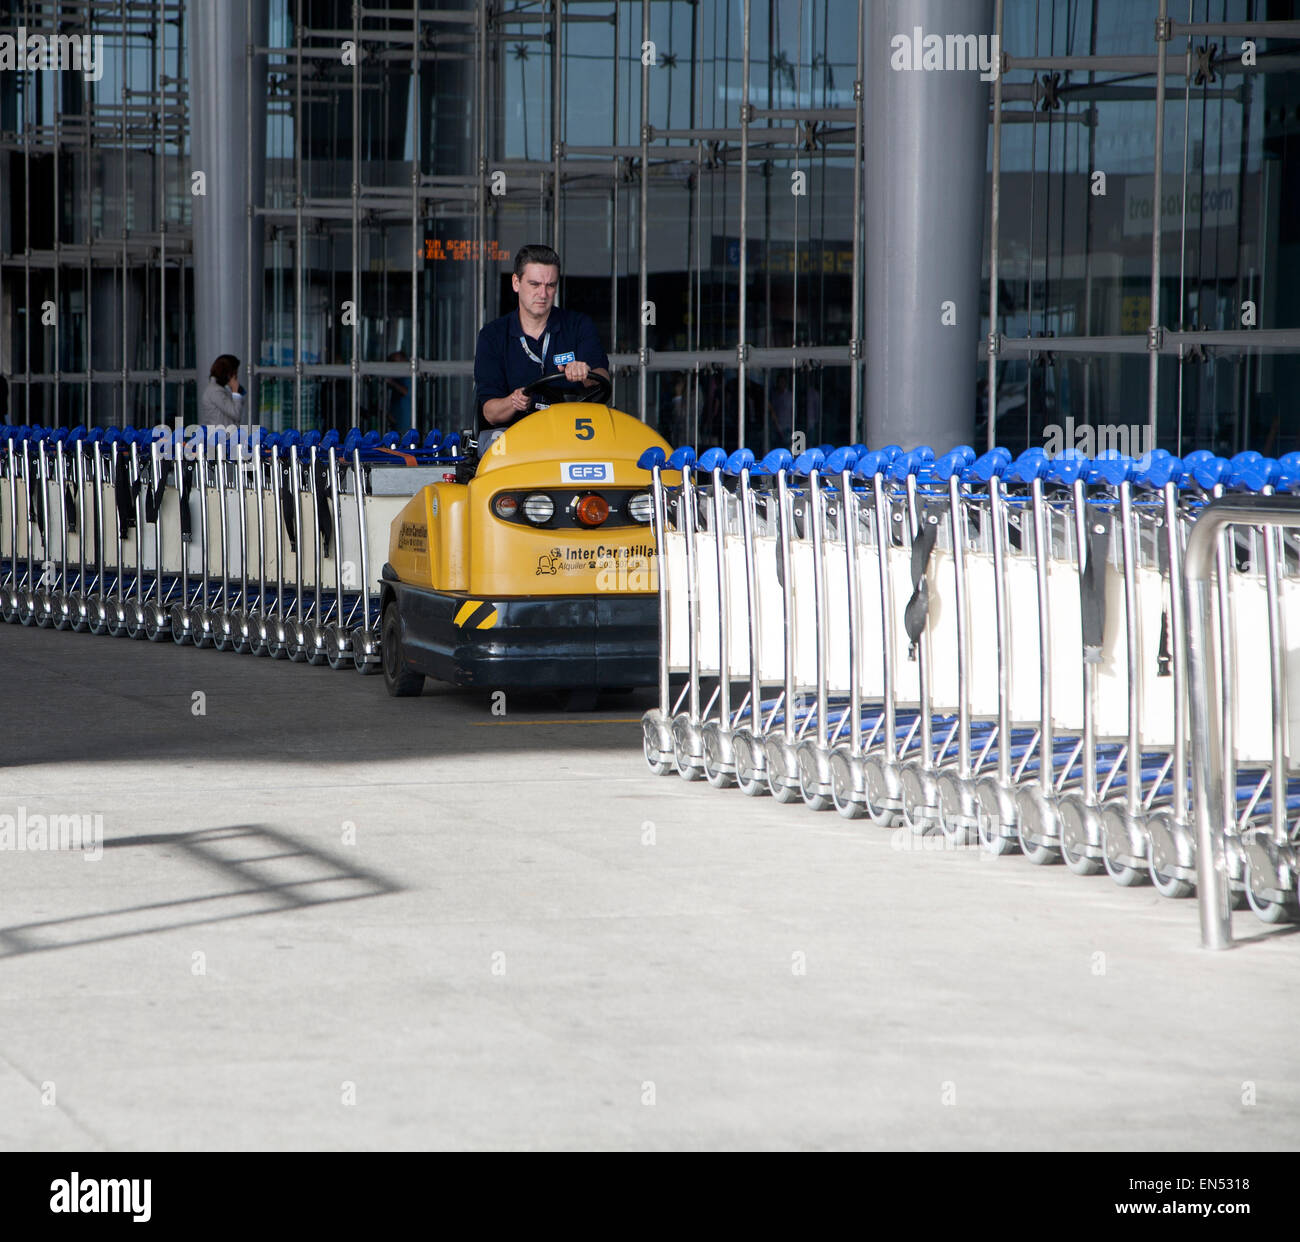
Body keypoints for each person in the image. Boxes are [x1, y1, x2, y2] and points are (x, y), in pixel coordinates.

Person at [473, 244, 609, 437]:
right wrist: (513, 401)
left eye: (550, 285)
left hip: (573, 434)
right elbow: (490, 413)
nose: (543, 294)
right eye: (535, 284)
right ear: (516, 283)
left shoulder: (578, 325)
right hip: (516, 438)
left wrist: (584, 373)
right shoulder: (492, 335)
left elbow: (602, 377)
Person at [200, 354, 245, 427]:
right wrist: (235, 392)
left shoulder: (222, 388)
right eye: (234, 373)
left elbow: (241, 401)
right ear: (228, 373)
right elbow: (236, 413)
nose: (236, 376)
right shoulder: (215, 391)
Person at [386, 350, 411, 432]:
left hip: (406, 424)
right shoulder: (400, 377)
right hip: (398, 423)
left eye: (399, 360)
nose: (398, 363)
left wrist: (392, 382)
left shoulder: (410, 375)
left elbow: (407, 392)